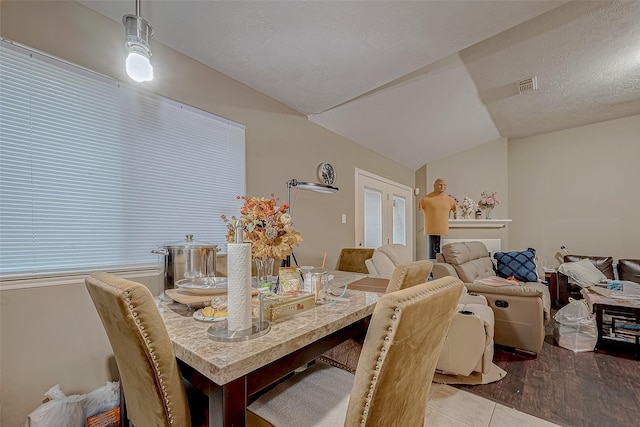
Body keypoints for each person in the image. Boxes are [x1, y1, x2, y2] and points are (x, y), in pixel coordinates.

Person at [418, 178, 457, 259]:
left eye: (445, 185)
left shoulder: (450, 200)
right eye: (440, 184)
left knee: (442, 256)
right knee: (432, 256)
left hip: (444, 231)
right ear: (434, 186)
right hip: (431, 230)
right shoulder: (425, 199)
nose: (442, 186)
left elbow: (455, 211)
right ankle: (432, 270)